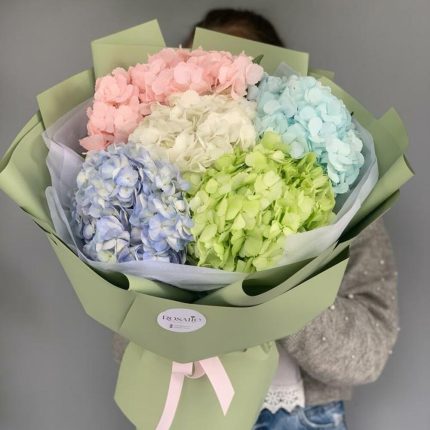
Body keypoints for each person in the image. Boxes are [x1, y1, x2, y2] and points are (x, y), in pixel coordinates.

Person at [113, 9, 399, 430]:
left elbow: (368, 356)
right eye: (199, 76)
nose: (217, 94)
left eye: (236, 78)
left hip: (304, 418)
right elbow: (127, 342)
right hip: (182, 413)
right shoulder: (148, 195)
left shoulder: (340, 197)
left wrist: (277, 288)